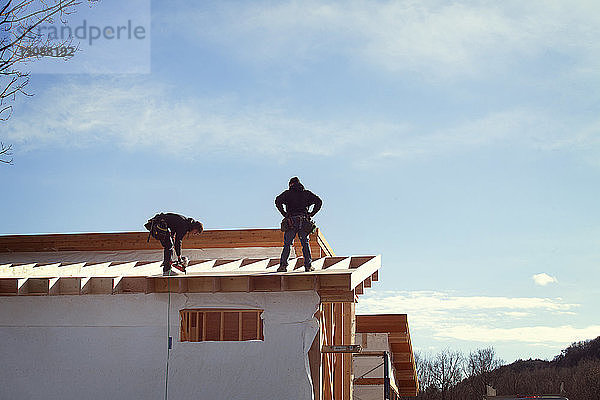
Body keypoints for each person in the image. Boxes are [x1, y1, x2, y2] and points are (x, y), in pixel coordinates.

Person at [275, 177, 322, 272]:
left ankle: (283, 266)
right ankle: (308, 266)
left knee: (287, 244)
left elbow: (277, 201)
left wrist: (284, 214)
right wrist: (311, 214)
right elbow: (319, 201)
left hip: (291, 221)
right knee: (305, 243)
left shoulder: (287, 194)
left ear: (291, 184)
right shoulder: (306, 193)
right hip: (303, 221)